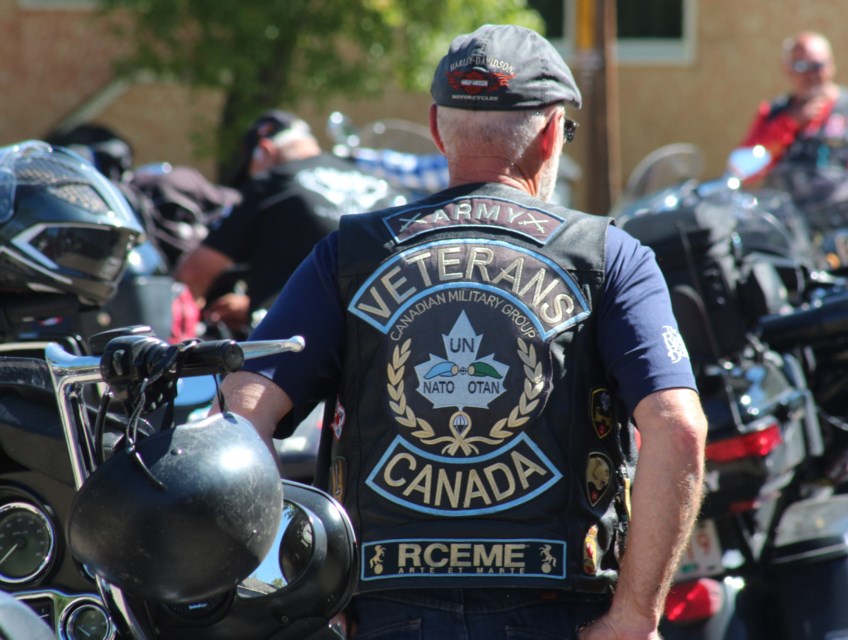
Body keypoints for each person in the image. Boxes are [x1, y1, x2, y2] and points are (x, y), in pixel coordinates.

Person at [217, 24, 707, 639]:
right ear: (552, 132)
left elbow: (242, 410)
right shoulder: (610, 255)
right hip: (558, 606)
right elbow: (679, 429)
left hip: (386, 604)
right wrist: (636, 616)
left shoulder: (351, 254)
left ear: (435, 127)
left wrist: (300, 582)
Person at [174, 109, 406, 334]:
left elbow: (194, 273)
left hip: (300, 346)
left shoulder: (272, 182)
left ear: (264, 151)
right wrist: (252, 302)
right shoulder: (383, 186)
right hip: (386, 340)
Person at [740, 31, 848, 172]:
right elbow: (745, 168)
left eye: (817, 65)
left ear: (831, 66)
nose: (810, 74)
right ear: (787, 69)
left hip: (846, 205)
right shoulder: (773, 113)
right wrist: (789, 123)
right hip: (785, 205)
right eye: (801, 66)